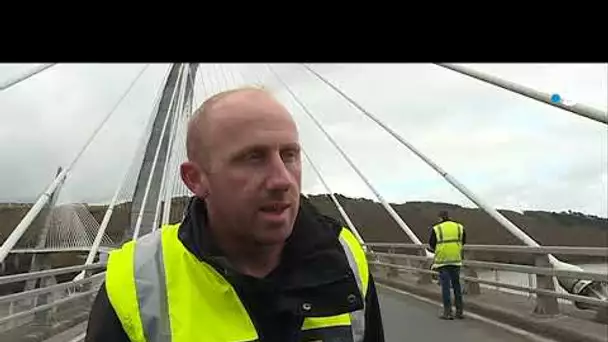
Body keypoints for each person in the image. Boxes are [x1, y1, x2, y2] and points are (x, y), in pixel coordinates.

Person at [85, 86, 384, 342]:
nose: (282, 180)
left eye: (289, 155)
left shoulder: (345, 257)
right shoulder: (137, 283)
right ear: (195, 179)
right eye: (253, 158)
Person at [428, 210, 466, 320]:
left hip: (443, 261)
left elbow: (431, 244)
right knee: (456, 286)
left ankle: (448, 312)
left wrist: (440, 250)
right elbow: (463, 241)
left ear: (440, 218)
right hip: (456, 259)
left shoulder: (437, 228)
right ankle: (459, 312)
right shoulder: (459, 227)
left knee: (445, 287)